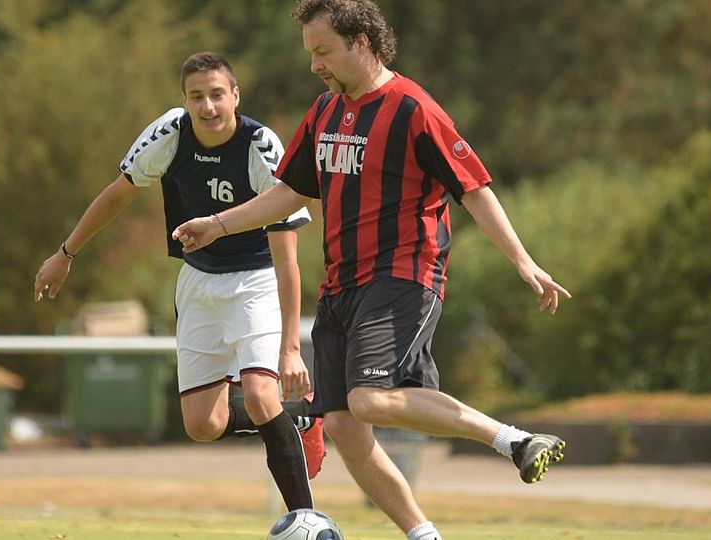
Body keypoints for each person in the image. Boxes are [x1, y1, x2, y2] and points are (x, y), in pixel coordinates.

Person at [171, 2, 572, 538]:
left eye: (323, 51)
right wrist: (217, 225)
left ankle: (515, 441)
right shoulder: (324, 111)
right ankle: (424, 535)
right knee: (343, 426)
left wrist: (523, 261)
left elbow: (473, 189)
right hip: (340, 286)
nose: (314, 65)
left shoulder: (413, 109)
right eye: (310, 53)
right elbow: (288, 193)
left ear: (361, 41)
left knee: (368, 399)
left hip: (403, 276)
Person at [33, 52, 324, 511]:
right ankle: (299, 416)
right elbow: (117, 194)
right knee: (203, 425)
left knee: (259, 394)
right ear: (185, 100)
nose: (208, 106)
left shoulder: (260, 146)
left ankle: (307, 523)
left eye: (217, 95)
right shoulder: (170, 133)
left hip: (255, 281)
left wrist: (290, 348)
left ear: (235, 95)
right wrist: (65, 254)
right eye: (196, 96)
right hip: (198, 280)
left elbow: (287, 259)